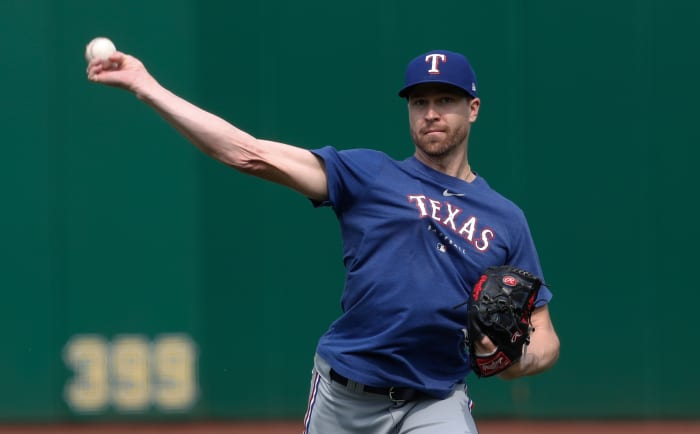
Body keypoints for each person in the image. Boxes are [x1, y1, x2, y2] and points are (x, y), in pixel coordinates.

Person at [87, 48, 560, 434]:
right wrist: (145, 86)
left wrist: (516, 360)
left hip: (436, 399)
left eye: (445, 100)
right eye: (420, 102)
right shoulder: (370, 174)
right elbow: (248, 153)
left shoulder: (505, 219)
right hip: (346, 396)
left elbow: (544, 334)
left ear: (473, 108)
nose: (431, 113)